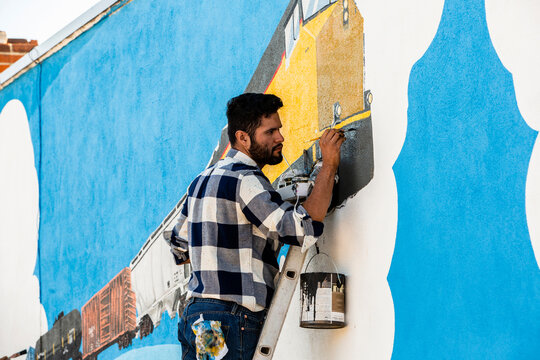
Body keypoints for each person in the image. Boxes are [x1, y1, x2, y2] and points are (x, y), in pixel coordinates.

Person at [167, 93, 345, 360]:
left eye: (279, 129)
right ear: (243, 137)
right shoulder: (246, 180)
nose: (280, 138)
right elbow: (302, 229)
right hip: (229, 319)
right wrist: (329, 165)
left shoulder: (200, 182)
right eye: (270, 131)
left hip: (200, 319)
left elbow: (177, 242)